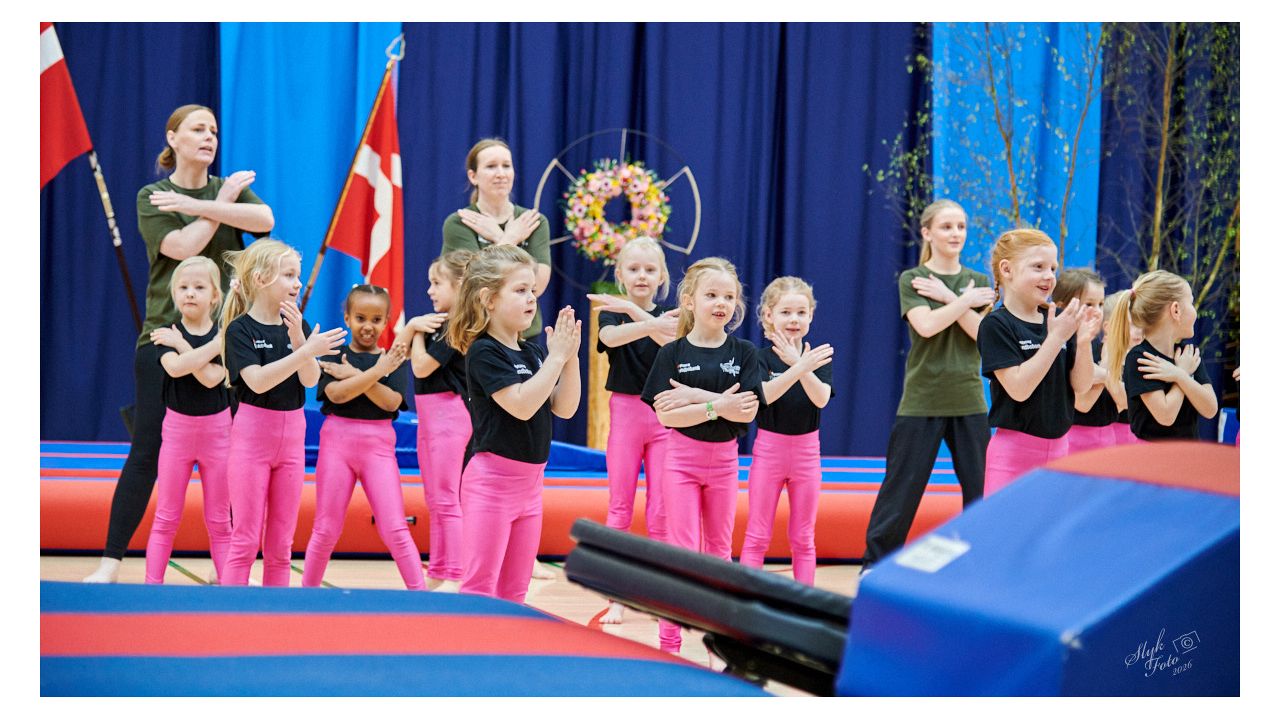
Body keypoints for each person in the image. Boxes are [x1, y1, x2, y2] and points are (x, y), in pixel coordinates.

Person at [85, 104, 273, 583]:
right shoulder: (153, 196)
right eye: (197, 129)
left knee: (233, 456)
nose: (209, 137)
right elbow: (183, 248)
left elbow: (264, 219)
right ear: (173, 138)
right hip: (164, 336)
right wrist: (218, 204)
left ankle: (232, 569)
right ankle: (110, 563)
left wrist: (202, 204)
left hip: (226, 341)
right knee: (146, 450)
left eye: (213, 130)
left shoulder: (224, 188)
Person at [862, 200, 995, 573]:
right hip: (922, 399)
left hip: (969, 399)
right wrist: (965, 301)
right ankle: (875, 564)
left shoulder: (978, 281)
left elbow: (981, 335)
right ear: (927, 233)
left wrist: (952, 298)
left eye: (961, 226)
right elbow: (927, 326)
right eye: (947, 226)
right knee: (901, 489)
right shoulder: (914, 278)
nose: (956, 233)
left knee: (981, 490)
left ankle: (982, 562)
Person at [642, 257, 764, 654]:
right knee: (681, 552)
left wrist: (696, 397)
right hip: (681, 463)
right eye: (712, 295)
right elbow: (666, 415)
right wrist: (717, 406)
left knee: (719, 553)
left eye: (729, 296)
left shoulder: (744, 352)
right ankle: (669, 643)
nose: (721, 303)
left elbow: (747, 410)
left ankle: (720, 644)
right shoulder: (672, 353)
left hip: (725, 464)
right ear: (689, 301)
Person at [447, 245, 581, 603]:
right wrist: (556, 359)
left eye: (533, 290)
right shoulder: (483, 351)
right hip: (491, 485)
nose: (531, 298)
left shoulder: (533, 353)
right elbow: (521, 405)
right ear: (489, 299)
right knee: (480, 588)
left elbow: (565, 408)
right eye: (520, 290)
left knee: (515, 592)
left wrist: (569, 358)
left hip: (530, 489)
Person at [219, 240, 347, 586]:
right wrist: (305, 351)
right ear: (261, 279)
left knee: (281, 545)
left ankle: (277, 613)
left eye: (298, 276)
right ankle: (228, 612)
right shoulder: (240, 330)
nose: (297, 283)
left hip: (291, 441)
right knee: (245, 540)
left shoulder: (297, 324)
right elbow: (258, 382)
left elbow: (310, 380)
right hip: (252, 440)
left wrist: (299, 339)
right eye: (289, 275)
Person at [302, 285, 424, 590]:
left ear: (386, 321)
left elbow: (391, 403)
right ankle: (307, 595)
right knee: (326, 529)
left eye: (376, 319)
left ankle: (420, 594)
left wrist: (354, 375)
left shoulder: (394, 358)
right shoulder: (336, 354)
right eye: (360, 318)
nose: (368, 326)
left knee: (395, 527)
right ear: (347, 318)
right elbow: (336, 394)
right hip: (337, 445)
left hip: (378, 449)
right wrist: (376, 373)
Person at [586, 237, 680, 623]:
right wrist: (629, 312)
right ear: (620, 275)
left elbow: (669, 340)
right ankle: (617, 595)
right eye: (634, 269)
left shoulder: (672, 316)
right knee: (620, 506)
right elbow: (609, 338)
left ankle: (660, 596)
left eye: (650, 269)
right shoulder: (613, 314)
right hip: (625, 415)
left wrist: (636, 313)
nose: (642, 276)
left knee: (660, 511)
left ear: (662, 277)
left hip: (663, 417)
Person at [977, 228, 1101, 496]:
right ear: (1007, 270)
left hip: (1059, 454)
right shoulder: (996, 325)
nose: (1049, 276)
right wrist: (1055, 338)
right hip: (1013, 456)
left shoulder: (1056, 319)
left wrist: (1083, 342)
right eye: (1038, 267)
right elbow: (1019, 389)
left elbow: (1081, 387)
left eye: (1053, 268)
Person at [738, 277, 834, 586]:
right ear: (769, 315)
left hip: (807, 456)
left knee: (803, 537)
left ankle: (804, 602)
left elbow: (821, 398)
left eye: (801, 313)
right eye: (786, 312)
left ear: (811, 316)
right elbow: (765, 395)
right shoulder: (758, 358)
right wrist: (797, 366)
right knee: (757, 534)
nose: (794, 319)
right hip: (769, 454)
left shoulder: (818, 358)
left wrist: (801, 363)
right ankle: (746, 602)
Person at [142, 256, 232, 584]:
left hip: (217, 433)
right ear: (174, 294)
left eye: (199, 287)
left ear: (215, 296)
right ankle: (152, 586)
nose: (190, 293)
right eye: (183, 287)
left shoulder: (224, 336)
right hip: (178, 432)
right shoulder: (164, 333)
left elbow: (211, 379)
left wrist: (183, 345)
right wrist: (210, 346)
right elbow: (176, 368)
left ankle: (230, 588)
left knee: (220, 520)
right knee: (166, 517)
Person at [397, 249, 476, 592]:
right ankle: (440, 569)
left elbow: (420, 366)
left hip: (450, 416)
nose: (429, 290)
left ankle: (456, 572)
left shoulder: (456, 325)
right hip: (430, 417)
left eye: (437, 283)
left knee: (446, 497)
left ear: (460, 285)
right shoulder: (436, 323)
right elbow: (398, 353)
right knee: (434, 498)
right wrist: (412, 327)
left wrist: (415, 332)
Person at [442, 138, 550, 340]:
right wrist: (510, 238)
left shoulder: (533, 221)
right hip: (477, 332)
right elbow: (471, 285)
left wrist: (498, 237)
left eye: (506, 166)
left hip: (525, 334)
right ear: (473, 176)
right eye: (491, 166)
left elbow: (537, 285)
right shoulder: (459, 222)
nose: (501, 173)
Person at [1105, 270, 1218, 441]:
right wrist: (1182, 373)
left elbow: (1210, 409)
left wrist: (1180, 375)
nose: (1195, 311)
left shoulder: (1188, 354)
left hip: (1189, 452)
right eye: (1191, 303)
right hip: (1152, 454)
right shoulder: (1140, 358)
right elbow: (1166, 416)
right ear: (1176, 310)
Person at [1053, 269, 1117, 453]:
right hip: (1073, 440)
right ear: (1062, 307)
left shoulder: (1096, 343)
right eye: (1089, 304)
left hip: (1105, 440)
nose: (1097, 312)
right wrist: (1107, 370)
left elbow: (1123, 400)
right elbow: (1083, 403)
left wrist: (1102, 375)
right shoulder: (1062, 345)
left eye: (1101, 304)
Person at [1101, 290, 1144, 445]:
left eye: (1140, 323)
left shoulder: (1143, 357)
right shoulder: (1096, 354)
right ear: (1109, 327)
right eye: (1131, 325)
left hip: (1136, 435)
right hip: (1109, 437)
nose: (1138, 331)